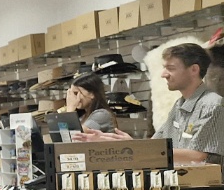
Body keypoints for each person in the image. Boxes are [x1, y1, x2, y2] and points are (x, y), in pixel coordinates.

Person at [79, 43, 224, 161]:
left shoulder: (212, 105)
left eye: (171, 68)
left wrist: (133, 147)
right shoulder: (179, 106)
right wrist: (122, 144)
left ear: (194, 69)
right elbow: (156, 144)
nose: (163, 74)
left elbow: (199, 156)